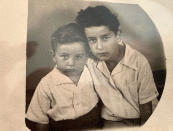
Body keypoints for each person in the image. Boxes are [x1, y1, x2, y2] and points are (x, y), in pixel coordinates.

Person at [75, 5, 159, 126]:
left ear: (118, 34)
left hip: (143, 118)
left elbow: (147, 109)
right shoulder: (89, 62)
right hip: (113, 120)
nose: (99, 47)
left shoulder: (138, 62)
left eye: (105, 38)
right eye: (92, 40)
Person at [25, 23, 103, 131]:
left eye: (78, 56)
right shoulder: (46, 83)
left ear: (86, 55)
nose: (71, 62)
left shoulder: (93, 71)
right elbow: (40, 120)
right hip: (63, 126)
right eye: (65, 56)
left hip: (94, 121)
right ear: (53, 56)